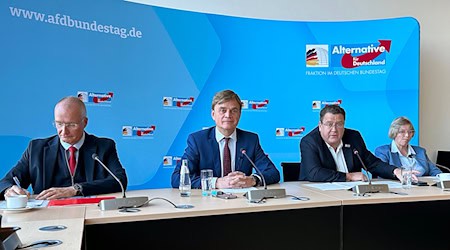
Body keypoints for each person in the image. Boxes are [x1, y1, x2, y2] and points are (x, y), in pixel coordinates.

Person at [0, 96, 127, 200]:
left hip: (93, 213)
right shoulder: (36, 149)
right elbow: (7, 181)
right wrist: (9, 190)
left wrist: (75, 189)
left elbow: (119, 181)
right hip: (46, 216)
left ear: (85, 123)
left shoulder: (103, 147)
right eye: (59, 124)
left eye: (71, 125)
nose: (63, 131)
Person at [171, 89, 280, 189]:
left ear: (240, 115)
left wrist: (253, 180)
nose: (228, 115)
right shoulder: (198, 140)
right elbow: (177, 178)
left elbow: (273, 173)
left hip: (242, 202)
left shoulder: (250, 140)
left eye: (234, 111)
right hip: (208, 203)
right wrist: (216, 182)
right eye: (223, 110)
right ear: (213, 115)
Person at [299, 104, 413, 182]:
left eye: (339, 124)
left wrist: (396, 171)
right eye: (329, 124)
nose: (334, 129)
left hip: (351, 194)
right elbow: (314, 173)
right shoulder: (309, 141)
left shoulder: (353, 137)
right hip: (317, 195)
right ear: (320, 126)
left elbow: (373, 163)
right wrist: (349, 176)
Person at [375, 116, 441, 176]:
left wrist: (442, 177)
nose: (407, 135)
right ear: (394, 133)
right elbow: (382, 172)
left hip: (423, 187)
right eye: (402, 132)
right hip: (398, 187)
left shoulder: (420, 151)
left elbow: (434, 171)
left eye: (410, 132)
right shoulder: (383, 151)